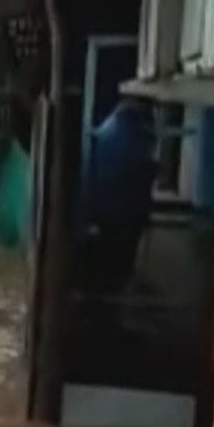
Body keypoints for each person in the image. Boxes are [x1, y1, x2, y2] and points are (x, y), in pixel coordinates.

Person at [78, 96, 159, 295]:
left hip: (104, 209)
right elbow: (141, 168)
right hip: (125, 210)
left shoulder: (108, 129)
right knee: (119, 263)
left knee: (106, 263)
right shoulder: (136, 132)